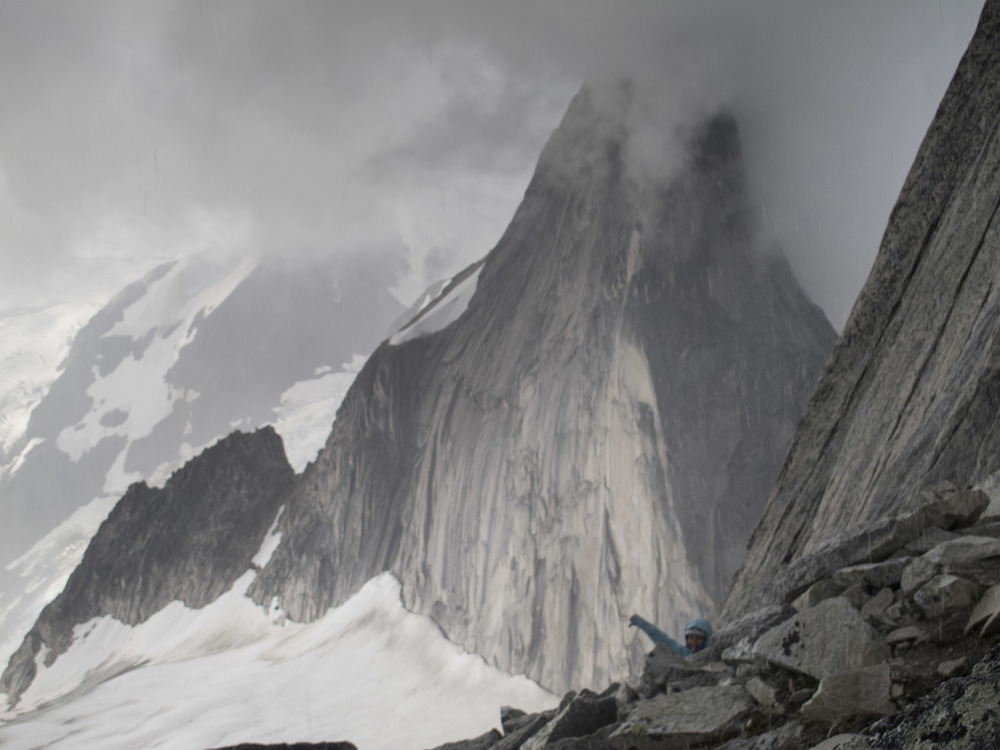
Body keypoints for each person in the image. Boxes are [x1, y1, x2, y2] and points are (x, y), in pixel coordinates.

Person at [629, 614, 712, 657]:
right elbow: (661, 638)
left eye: (698, 638)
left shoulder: (713, 653)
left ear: (706, 639)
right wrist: (640, 622)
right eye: (691, 638)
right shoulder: (682, 652)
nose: (694, 641)